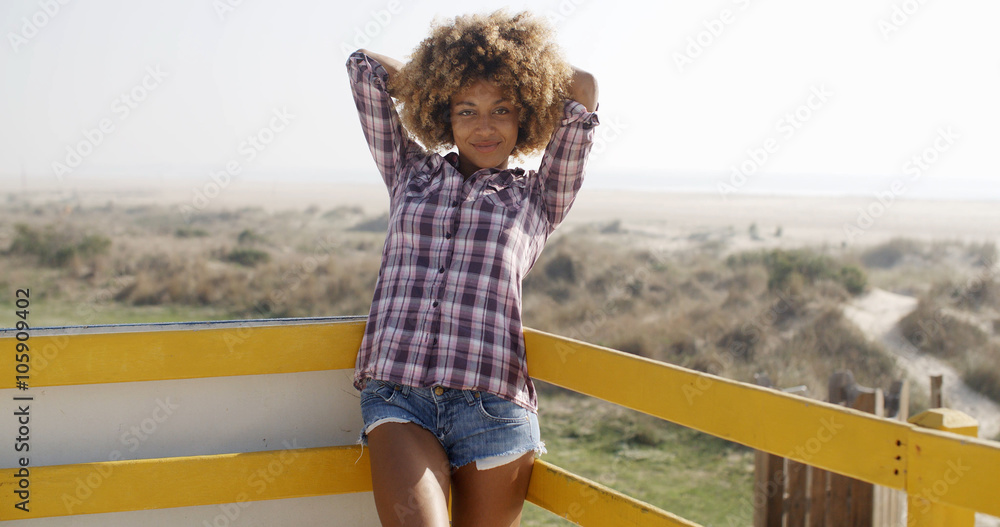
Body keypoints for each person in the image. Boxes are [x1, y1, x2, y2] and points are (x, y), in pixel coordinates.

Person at [346, 10, 599, 527]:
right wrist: (443, 72)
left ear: (524, 117)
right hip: (400, 395)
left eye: (501, 109)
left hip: (494, 409)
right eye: (466, 110)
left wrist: (511, 64)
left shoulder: (540, 198)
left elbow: (584, 88)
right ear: (445, 114)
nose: (484, 126)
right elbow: (363, 67)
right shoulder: (407, 172)